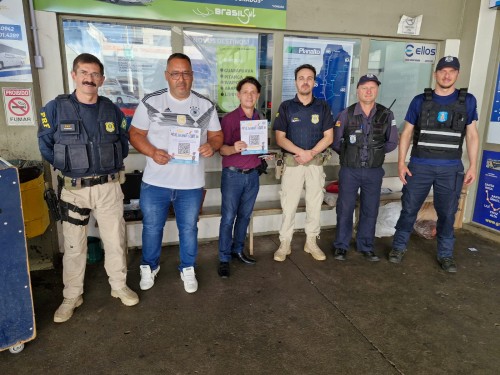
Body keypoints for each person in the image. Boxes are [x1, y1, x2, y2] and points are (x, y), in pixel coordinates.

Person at [38, 53, 139, 323]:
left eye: (95, 75)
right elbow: (46, 145)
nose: (89, 79)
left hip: (108, 187)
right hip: (74, 190)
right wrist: (71, 167)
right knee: (73, 246)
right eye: (84, 73)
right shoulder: (55, 109)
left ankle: (118, 286)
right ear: (74, 75)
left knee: (115, 241)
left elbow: (123, 140)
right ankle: (72, 294)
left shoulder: (112, 109)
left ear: (102, 79)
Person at [129, 53, 223, 292]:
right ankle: (149, 266)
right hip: (155, 182)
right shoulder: (151, 102)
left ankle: (188, 268)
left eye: (186, 73)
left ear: (192, 76)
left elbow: (217, 136)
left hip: (190, 184)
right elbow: (135, 134)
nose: (181, 79)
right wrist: (152, 152)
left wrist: (211, 146)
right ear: (166, 76)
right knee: (151, 227)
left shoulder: (205, 105)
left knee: (189, 228)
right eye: (175, 73)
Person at [389, 56, 479, 273]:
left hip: (450, 168)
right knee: (409, 208)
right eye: (443, 71)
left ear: (457, 74)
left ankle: (446, 255)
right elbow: (407, 133)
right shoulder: (420, 100)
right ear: (435, 73)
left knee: (448, 212)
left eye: (452, 71)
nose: (447, 75)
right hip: (420, 165)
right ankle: (398, 247)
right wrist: (401, 163)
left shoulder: (468, 101)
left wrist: (473, 165)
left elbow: (472, 135)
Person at [332, 74, 399, 262]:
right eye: (364, 87)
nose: (368, 91)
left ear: (377, 90)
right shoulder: (345, 114)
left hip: (373, 170)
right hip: (350, 170)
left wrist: (373, 153)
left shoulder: (386, 114)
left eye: (372, 87)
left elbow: (392, 142)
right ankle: (341, 246)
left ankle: (366, 246)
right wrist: (352, 154)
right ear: (357, 91)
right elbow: (336, 143)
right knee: (344, 209)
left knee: (370, 209)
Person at [273, 64, 334, 262]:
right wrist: (301, 152)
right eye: (301, 78)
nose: (305, 81)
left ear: (314, 82)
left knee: (314, 204)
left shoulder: (322, 106)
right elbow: (280, 138)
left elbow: (329, 136)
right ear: (296, 82)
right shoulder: (286, 107)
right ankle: (285, 243)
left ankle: (311, 242)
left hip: (315, 164)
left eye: (309, 78)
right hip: (292, 164)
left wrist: (312, 153)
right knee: (289, 205)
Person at [217, 76, 264, 278]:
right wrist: (233, 147)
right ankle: (224, 258)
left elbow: (259, 148)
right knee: (228, 218)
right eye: (245, 91)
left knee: (245, 216)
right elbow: (221, 150)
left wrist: (265, 154)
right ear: (238, 95)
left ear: (258, 95)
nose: (249, 95)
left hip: (253, 176)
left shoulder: (260, 118)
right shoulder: (228, 119)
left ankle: (238, 250)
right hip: (233, 177)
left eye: (253, 92)